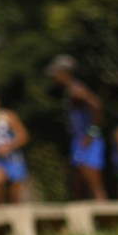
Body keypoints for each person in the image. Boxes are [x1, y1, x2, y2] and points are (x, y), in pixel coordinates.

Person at [47, 55, 107, 201]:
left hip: (87, 141)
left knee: (94, 184)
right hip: (80, 141)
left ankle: (110, 220)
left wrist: (91, 134)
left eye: (56, 73)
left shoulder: (76, 89)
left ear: (64, 73)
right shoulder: (71, 90)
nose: (54, 77)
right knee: (78, 183)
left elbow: (97, 105)